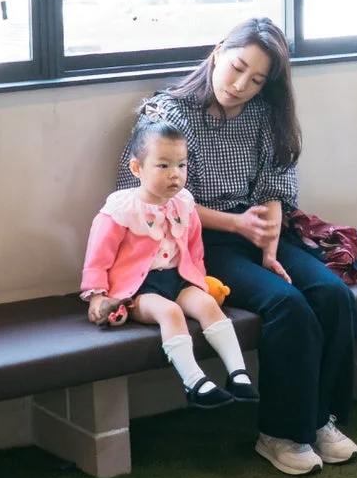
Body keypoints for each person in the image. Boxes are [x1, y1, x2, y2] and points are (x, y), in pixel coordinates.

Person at [117, 18, 357, 477]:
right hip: (194, 243)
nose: (241, 85)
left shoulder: (265, 115)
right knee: (287, 305)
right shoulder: (167, 115)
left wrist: (269, 243)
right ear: (217, 52)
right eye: (237, 68)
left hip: (258, 232)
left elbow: (277, 181)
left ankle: (319, 419)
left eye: (256, 79)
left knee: (334, 296)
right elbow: (143, 196)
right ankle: (282, 434)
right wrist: (236, 223)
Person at [83, 123, 258, 408]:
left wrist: (200, 282)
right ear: (137, 168)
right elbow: (98, 255)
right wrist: (97, 294)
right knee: (170, 312)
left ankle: (238, 374)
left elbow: (194, 249)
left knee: (208, 306)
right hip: (138, 289)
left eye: (181, 165)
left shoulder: (184, 203)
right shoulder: (122, 208)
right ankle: (194, 382)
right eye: (163, 166)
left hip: (178, 279)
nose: (175, 174)